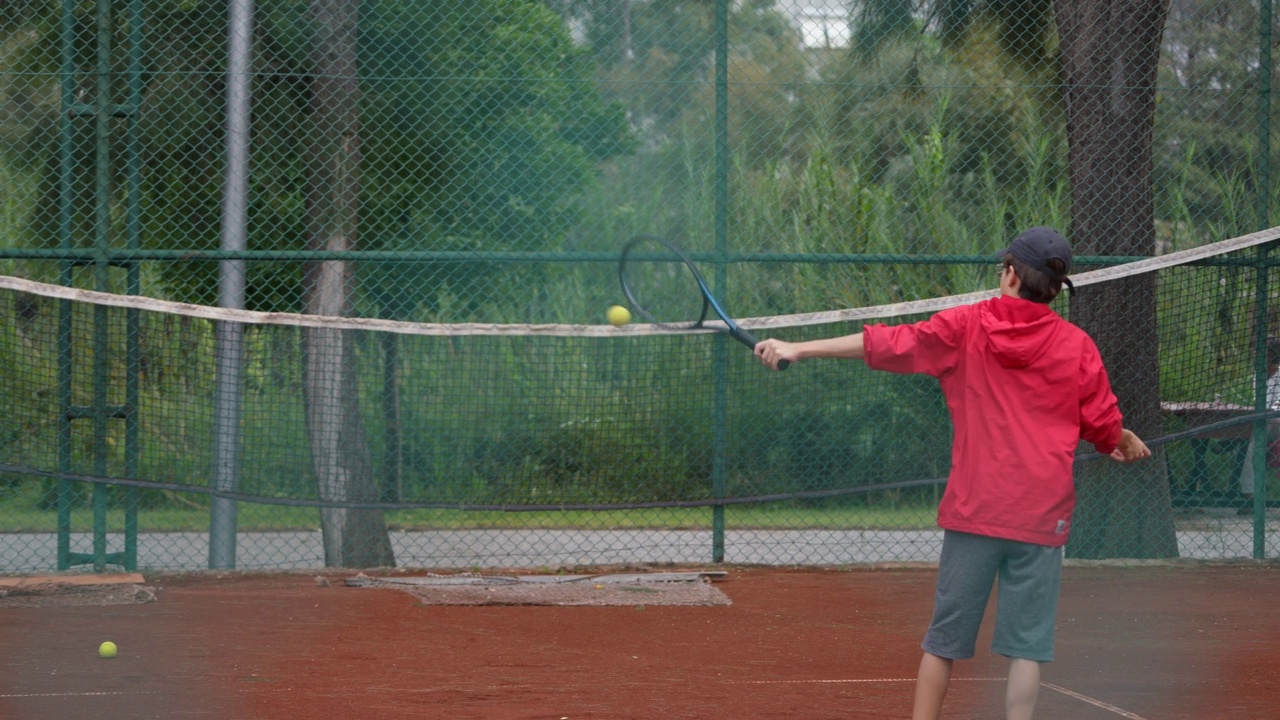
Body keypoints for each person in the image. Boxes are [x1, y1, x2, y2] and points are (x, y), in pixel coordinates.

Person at [753, 226, 1152, 720]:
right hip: (1041, 519)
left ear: (1009, 274)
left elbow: (888, 343)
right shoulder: (1076, 345)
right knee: (1027, 648)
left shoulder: (965, 327)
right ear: (1053, 288)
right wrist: (1121, 440)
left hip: (975, 512)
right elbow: (1103, 423)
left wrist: (798, 348)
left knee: (943, 642)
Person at [1236, 339, 1280, 514]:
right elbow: (1260, 403)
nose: (1255, 356)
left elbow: (1276, 407)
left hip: (1276, 424)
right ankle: (1251, 495)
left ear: (1270, 354)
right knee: (1248, 441)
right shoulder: (1259, 375)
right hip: (1265, 424)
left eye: (1258, 352)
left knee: (1253, 449)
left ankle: (1251, 495)